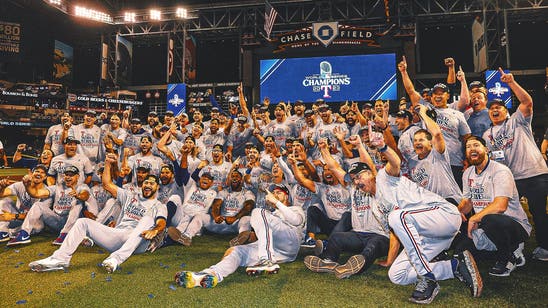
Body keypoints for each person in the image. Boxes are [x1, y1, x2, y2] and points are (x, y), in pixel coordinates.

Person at [352, 136, 482, 304]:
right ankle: (455, 267)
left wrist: (383, 147)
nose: (357, 181)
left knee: (397, 216)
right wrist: (390, 261)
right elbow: (395, 234)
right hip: (428, 236)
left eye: (359, 176)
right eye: (354, 179)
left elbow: (395, 162)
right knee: (397, 275)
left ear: (371, 174)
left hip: (444, 215)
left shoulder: (385, 178)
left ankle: (427, 278)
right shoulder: (376, 207)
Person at [27, 153, 167, 273]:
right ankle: (60, 259)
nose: (148, 185)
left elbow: (162, 222)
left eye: (152, 183)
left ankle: (115, 259)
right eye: (146, 182)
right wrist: (107, 164)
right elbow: (107, 184)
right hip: (117, 236)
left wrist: (155, 230)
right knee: (82, 223)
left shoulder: (159, 205)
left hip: (138, 241)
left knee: (148, 219)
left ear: (157, 187)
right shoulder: (131, 196)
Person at [174, 184, 304, 288]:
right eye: (273, 193)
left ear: (286, 196)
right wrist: (233, 251)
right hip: (277, 252)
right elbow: (264, 235)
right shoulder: (271, 215)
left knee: (258, 211)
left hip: (290, 241)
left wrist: (277, 203)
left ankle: (266, 260)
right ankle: (210, 274)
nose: (275, 195)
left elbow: (296, 221)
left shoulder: (295, 209)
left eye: (279, 192)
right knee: (237, 251)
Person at [482, 68, 548, 261]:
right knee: (509, 213)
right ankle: (513, 246)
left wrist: (511, 83)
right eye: (491, 108)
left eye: (499, 107)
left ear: (506, 111)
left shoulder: (518, 121)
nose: (494, 110)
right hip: (511, 178)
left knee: (538, 212)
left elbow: (527, 102)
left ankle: (544, 247)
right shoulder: (488, 135)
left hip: (534, 174)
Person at [456, 136, 530, 276]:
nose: (472, 148)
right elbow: (467, 203)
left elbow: (500, 206)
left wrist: (474, 218)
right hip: (486, 226)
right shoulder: (467, 173)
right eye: (468, 146)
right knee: (462, 250)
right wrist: (455, 213)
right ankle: (509, 250)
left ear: (486, 149)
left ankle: (509, 257)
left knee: (490, 218)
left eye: (476, 145)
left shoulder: (500, 171)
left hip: (513, 225)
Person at [8, 165, 92, 246]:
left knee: (77, 203)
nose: (68, 177)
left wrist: (78, 196)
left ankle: (65, 234)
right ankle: (24, 234)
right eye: (66, 175)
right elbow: (36, 194)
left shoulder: (82, 186)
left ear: (77, 176)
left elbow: (85, 196)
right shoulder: (56, 188)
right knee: (38, 204)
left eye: (71, 175)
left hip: (74, 223)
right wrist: (27, 186)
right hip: (57, 221)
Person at [0, 165, 48, 241]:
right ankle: (3, 232)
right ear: (32, 174)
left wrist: (13, 216)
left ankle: (15, 232)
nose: (39, 173)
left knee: (38, 223)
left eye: (42, 173)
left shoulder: (47, 192)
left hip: (34, 222)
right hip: (18, 218)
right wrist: (2, 187)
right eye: (37, 171)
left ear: (45, 177)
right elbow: (2, 194)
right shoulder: (20, 185)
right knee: (4, 201)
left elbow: (38, 216)